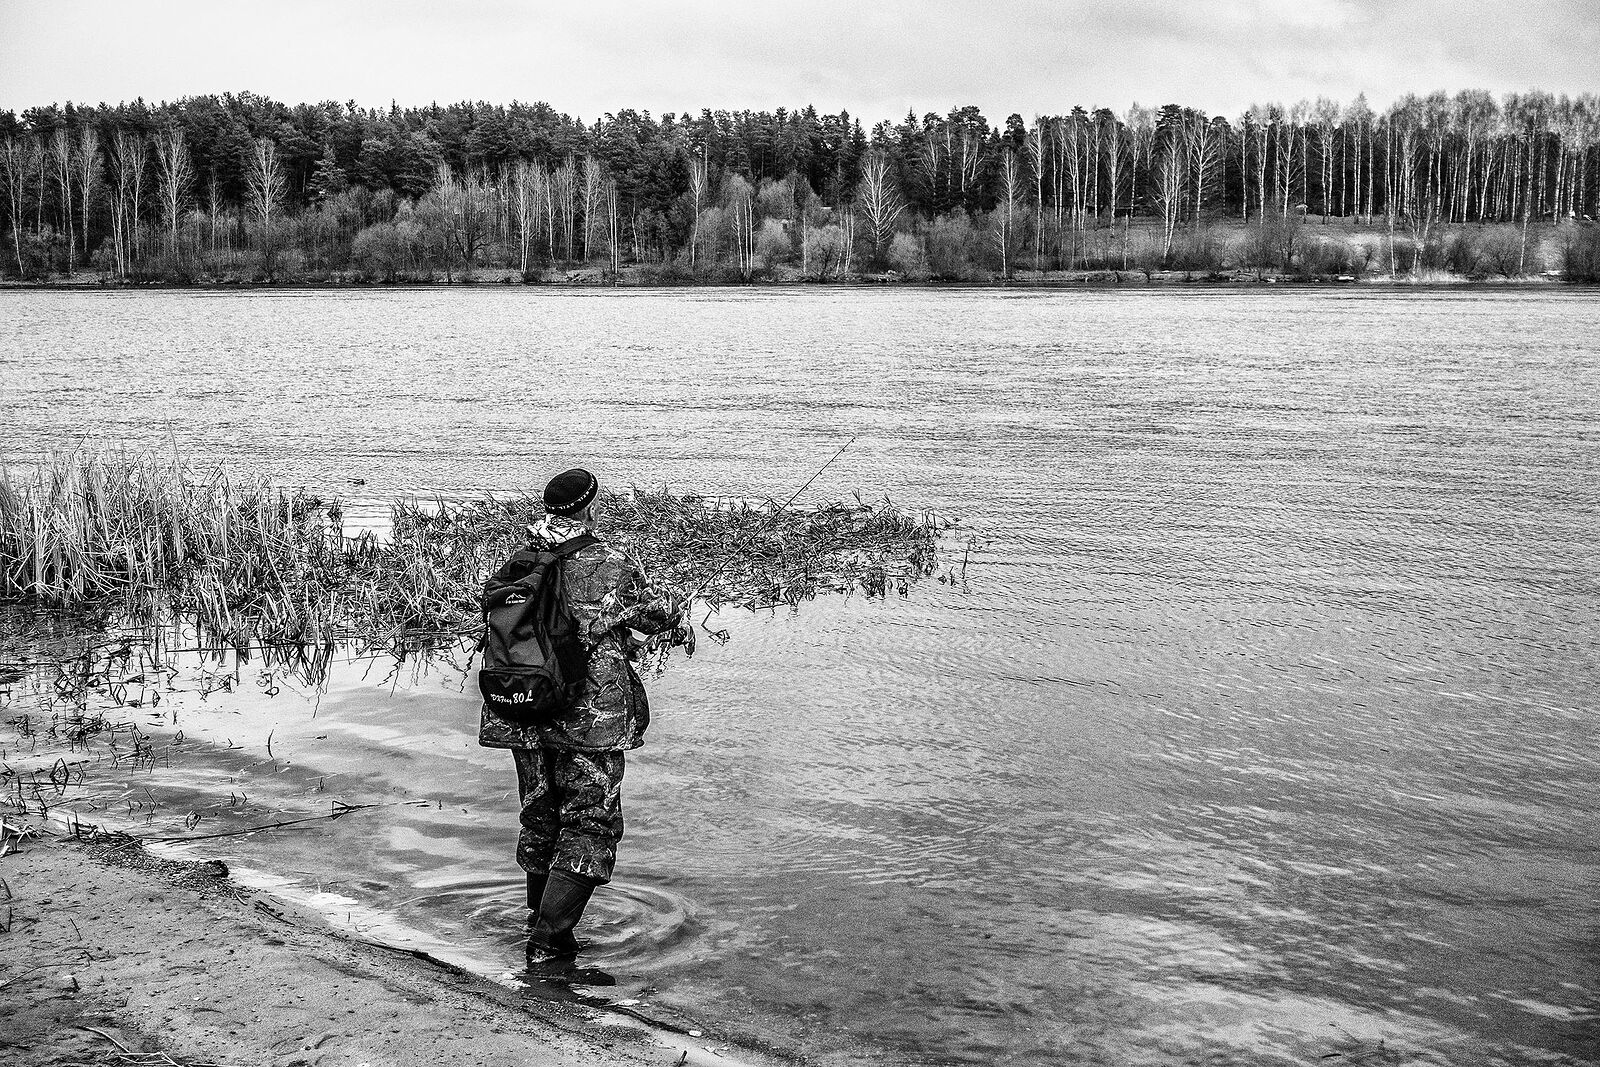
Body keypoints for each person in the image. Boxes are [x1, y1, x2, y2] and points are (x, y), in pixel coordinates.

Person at [479, 467, 683, 957]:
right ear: (590, 508)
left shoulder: (518, 563)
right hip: (587, 718)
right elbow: (658, 615)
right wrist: (673, 608)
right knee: (591, 823)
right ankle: (549, 940)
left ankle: (537, 925)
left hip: (522, 710)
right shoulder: (610, 562)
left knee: (540, 817)